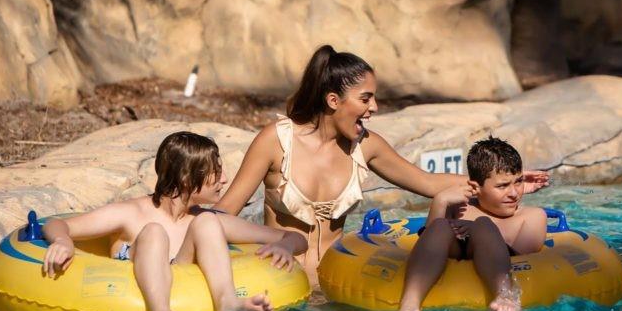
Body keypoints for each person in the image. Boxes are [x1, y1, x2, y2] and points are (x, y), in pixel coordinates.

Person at [214, 46, 550, 285]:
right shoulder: (276, 141)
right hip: (281, 283)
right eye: (365, 98)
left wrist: (503, 184)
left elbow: (426, 182)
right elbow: (226, 211)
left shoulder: (366, 145)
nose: (374, 107)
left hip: (339, 285)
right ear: (333, 101)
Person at [42, 131, 308, 311]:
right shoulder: (131, 214)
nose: (224, 179)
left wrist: (286, 246)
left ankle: (227, 303)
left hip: (189, 301)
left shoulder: (205, 220)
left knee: (207, 222)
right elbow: (58, 224)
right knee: (154, 232)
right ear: (185, 178)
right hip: (126, 305)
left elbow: (295, 238)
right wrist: (63, 241)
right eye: (215, 172)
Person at [396, 137, 547, 311]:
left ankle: (505, 297)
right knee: (442, 226)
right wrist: (440, 201)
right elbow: (429, 241)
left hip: (497, 265)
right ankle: (409, 306)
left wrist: (474, 229)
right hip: (456, 250)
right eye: (503, 186)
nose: (514, 193)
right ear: (476, 187)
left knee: (484, 224)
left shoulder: (532, 216)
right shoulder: (459, 207)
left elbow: (523, 259)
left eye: (518, 182)